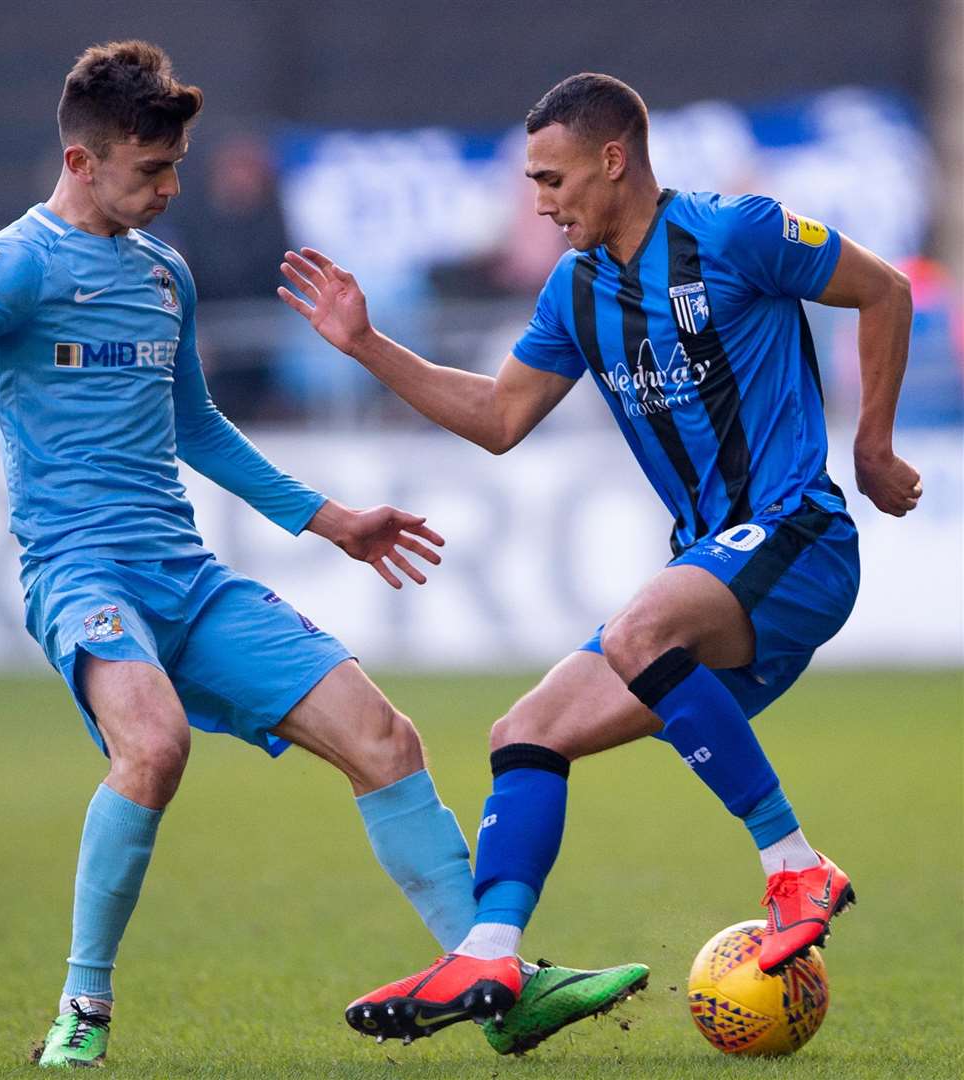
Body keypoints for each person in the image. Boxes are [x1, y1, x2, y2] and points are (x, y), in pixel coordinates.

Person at [0, 43, 640, 1071]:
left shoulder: (163, 273)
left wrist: (331, 520)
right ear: (82, 161)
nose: (169, 189)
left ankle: (492, 980)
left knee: (384, 738)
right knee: (153, 745)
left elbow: (199, 428)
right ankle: (83, 1008)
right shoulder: (16, 264)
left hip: (184, 578)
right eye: (151, 171)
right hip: (81, 576)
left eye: (176, 167)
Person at [278, 72, 921, 1054]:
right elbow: (499, 418)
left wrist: (870, 445)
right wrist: (367, 346)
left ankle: (793, 864)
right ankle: (492, 951)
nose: (538, 201)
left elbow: (878, 288)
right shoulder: (576, 289)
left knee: (638, 628)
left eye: (551, 177)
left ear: (611, 159)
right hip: (709, 571)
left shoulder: (734, 232)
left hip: (796, 539)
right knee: (524, 731)